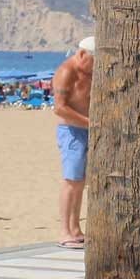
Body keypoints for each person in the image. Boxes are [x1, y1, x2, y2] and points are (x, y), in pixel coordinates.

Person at [51, 36, 94, 248]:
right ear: (83, 54)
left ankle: (76, 229)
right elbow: (59, 107)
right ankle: (64, 231)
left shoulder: (90, 72)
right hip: (71, 130)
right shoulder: (67, 72)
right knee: (71, 180)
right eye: (94, 61)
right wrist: (90, 122)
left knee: (80, 182)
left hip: (88, 129)